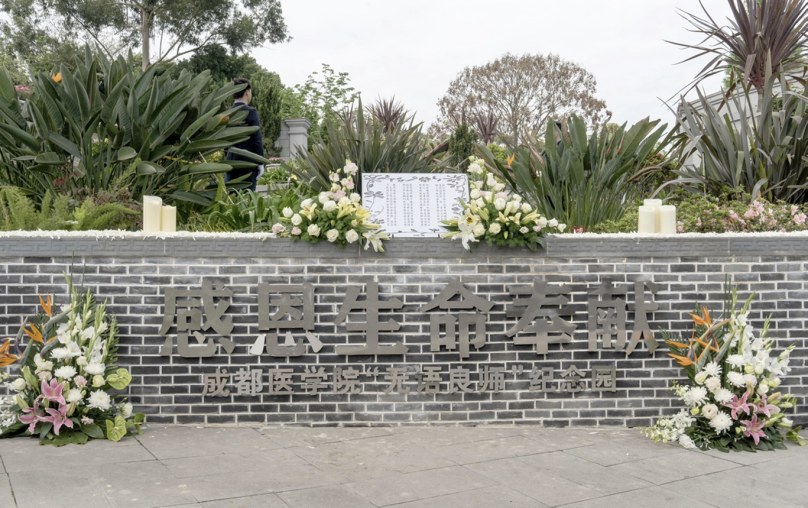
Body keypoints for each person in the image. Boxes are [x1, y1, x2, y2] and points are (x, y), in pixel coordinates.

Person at [225, 77, 264, 191]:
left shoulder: (227, 113)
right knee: (247, 196)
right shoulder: (250, 112)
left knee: (231, 195)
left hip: (230, 161)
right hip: (248, 162)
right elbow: (256, 139)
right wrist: (260, 162)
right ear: (247, 92)